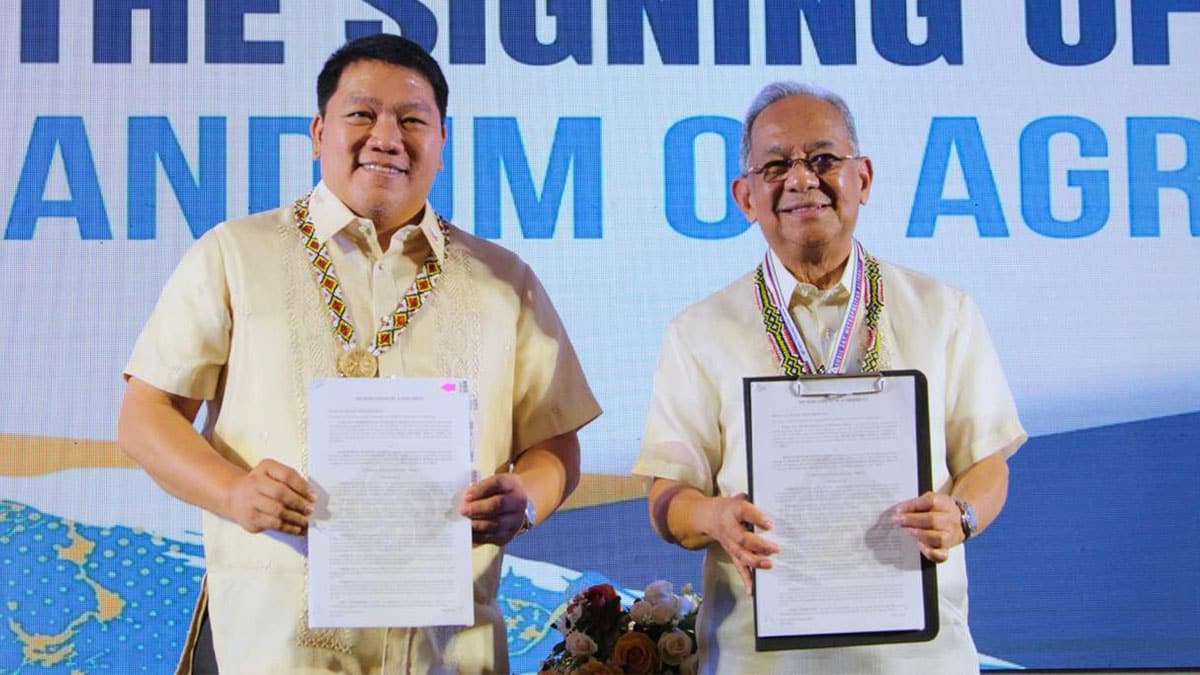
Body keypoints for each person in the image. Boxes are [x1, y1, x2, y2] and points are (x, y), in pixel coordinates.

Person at [117, 34, 600, 674]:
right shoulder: (235, 253)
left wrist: (528, 499)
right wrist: (236, 494)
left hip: (444, 647)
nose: (386, 137)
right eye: (361, 114)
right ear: (319, 132)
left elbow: (555, 443)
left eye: (412, 120)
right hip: (273, 645)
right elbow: (145, 416)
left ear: (441, 144)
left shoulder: (502, 280)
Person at [632, 81, 1026, 674]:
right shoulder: (699, 331)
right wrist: (713, 517)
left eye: (822, 160)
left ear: (862, 179)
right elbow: (667, 500)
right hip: (761, 660)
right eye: (775, 165)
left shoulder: (943, 311)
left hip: (916, 659)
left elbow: (988, 463)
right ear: (745, 196)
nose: (800, 179)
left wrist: (961, 515)